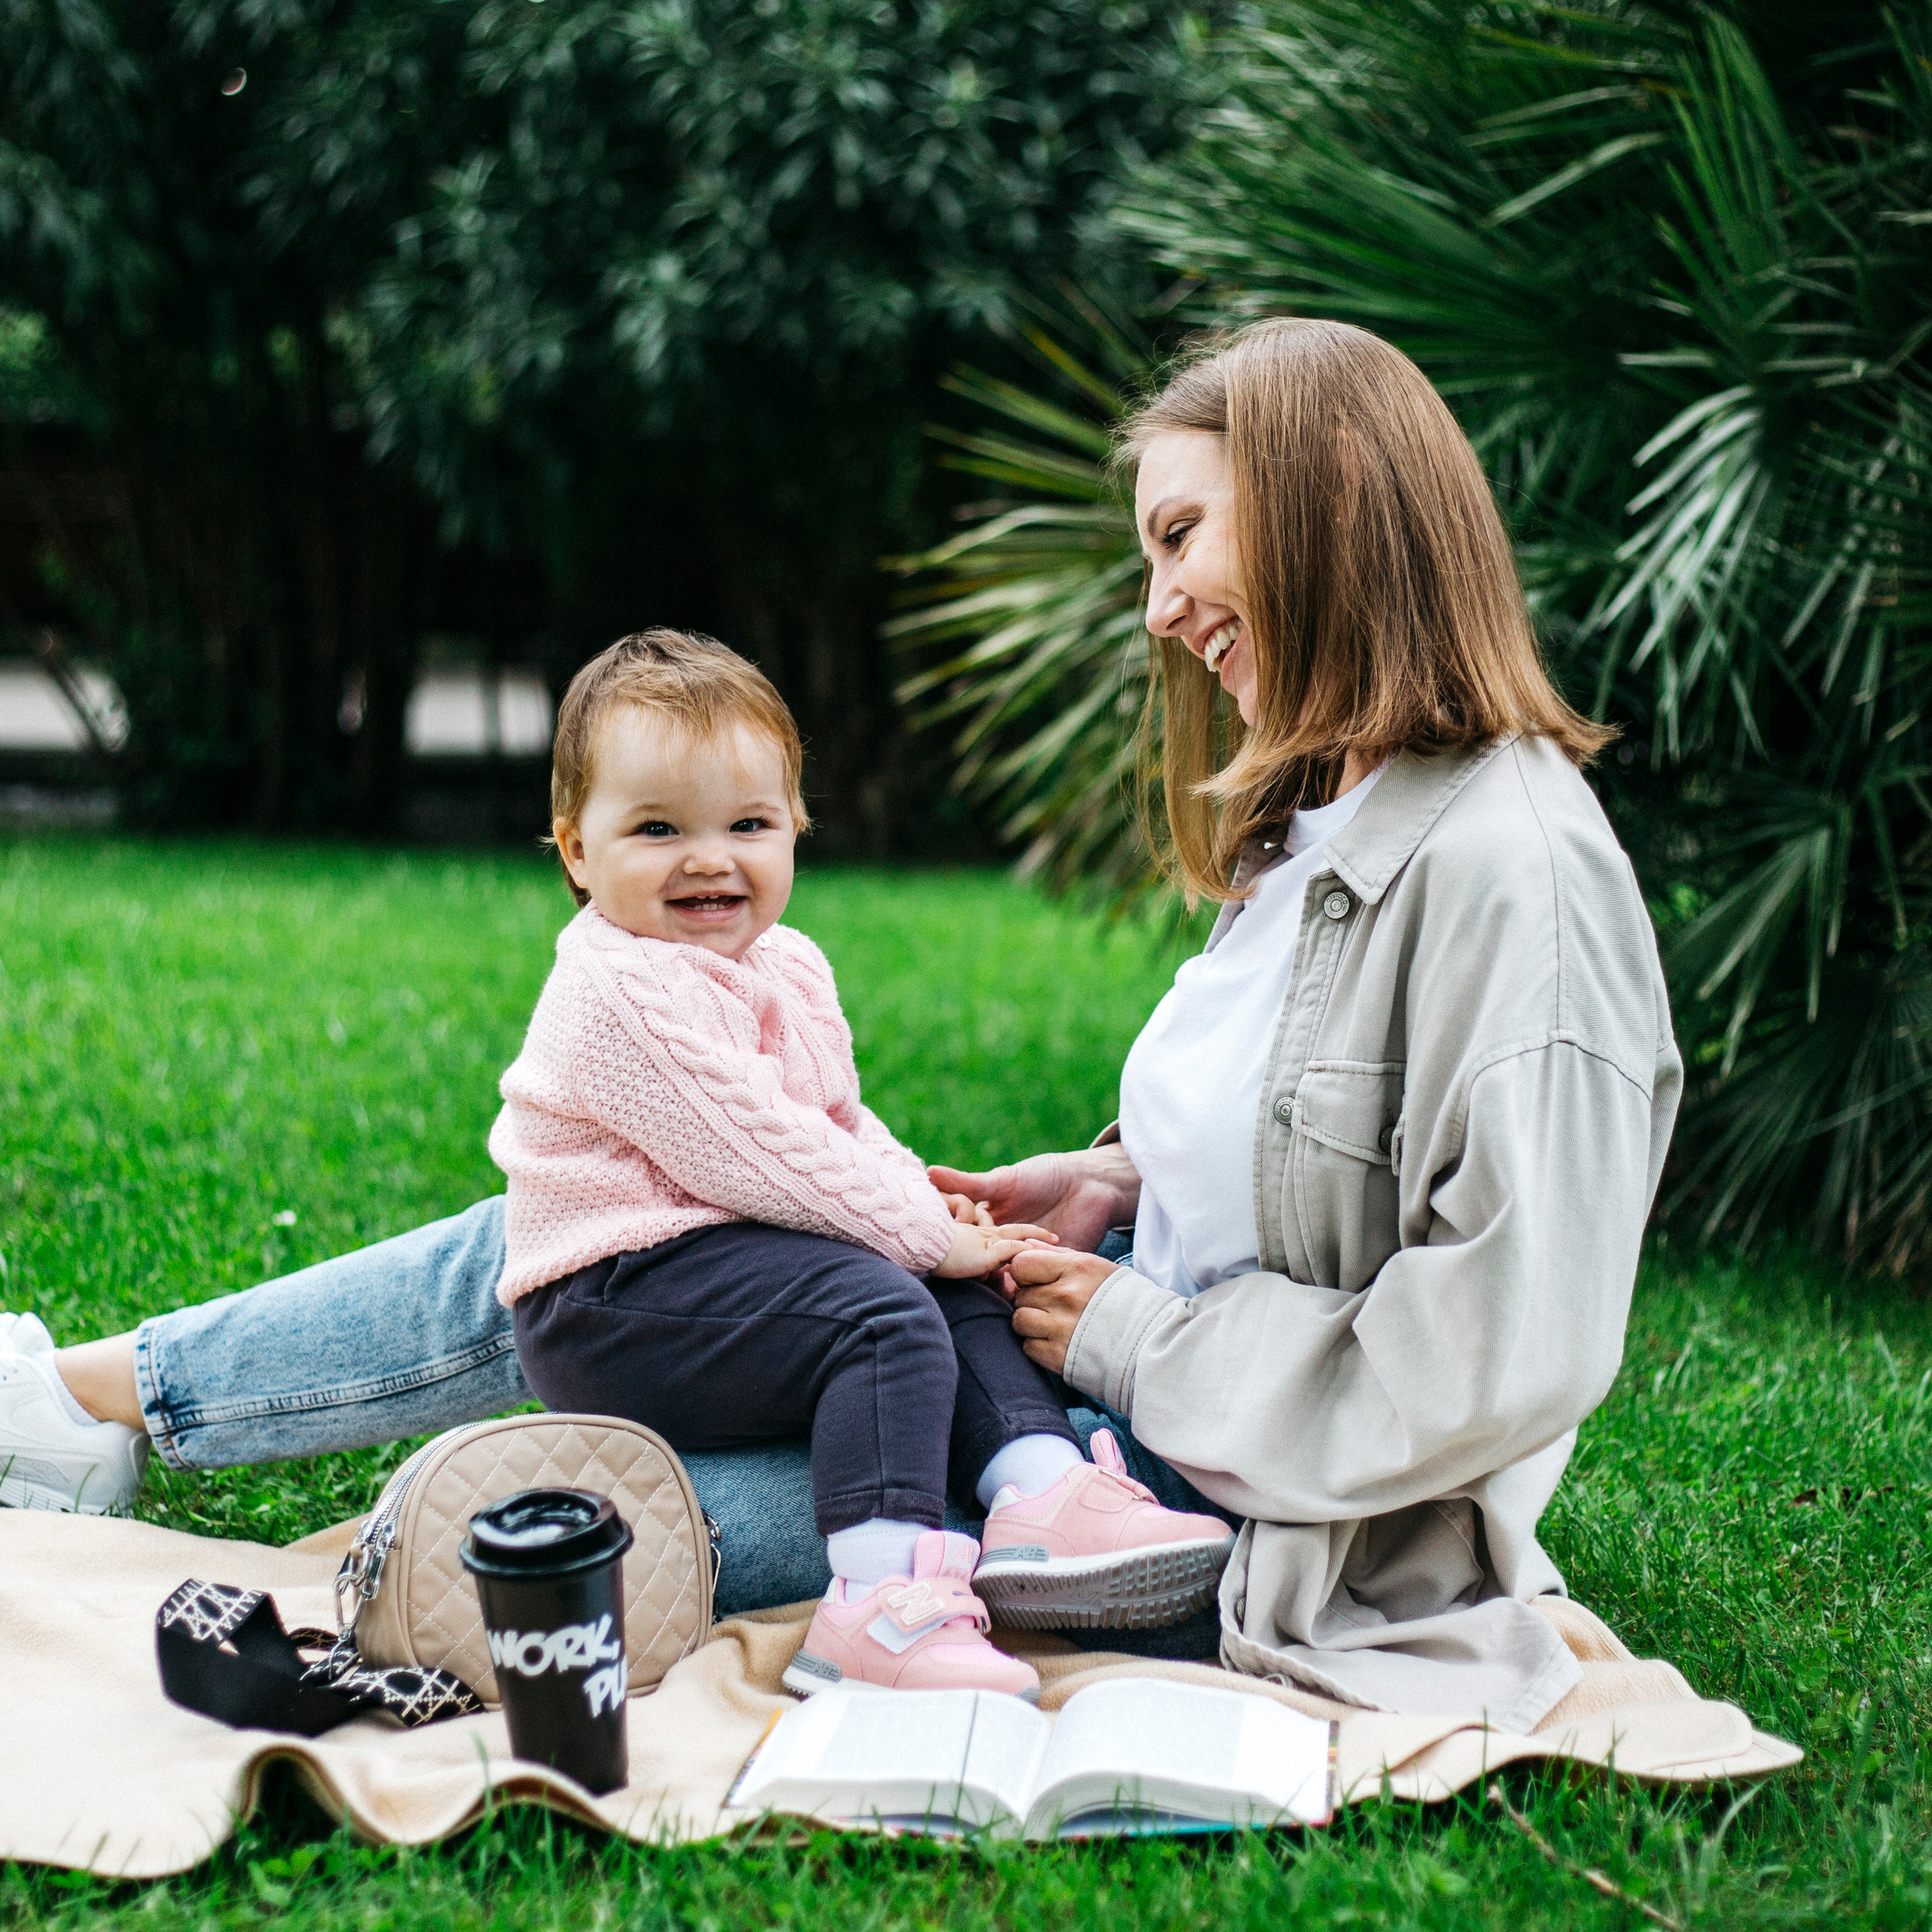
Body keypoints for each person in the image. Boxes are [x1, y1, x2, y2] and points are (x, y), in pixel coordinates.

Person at [1, 318, 1680, 1729]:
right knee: (587, 1232)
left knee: (523, 1544)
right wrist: (1097, 1183)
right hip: (1066, 1365)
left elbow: (1496, 1352)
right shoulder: (1329, 823)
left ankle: (156, 1446)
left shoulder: (1511, 870)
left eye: (1179, 535)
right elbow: (1298, 1147)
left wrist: (1118, 1332)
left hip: (1185, 1485)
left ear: (1328, 508)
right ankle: (81, 1403)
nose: (1158, 603)